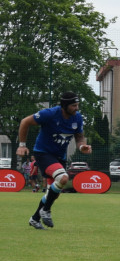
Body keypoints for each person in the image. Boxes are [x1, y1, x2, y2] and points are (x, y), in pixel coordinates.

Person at [16, 91, 90, 229]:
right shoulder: (50, 113)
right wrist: (22, 145)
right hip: (43, 153)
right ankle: (46, 210)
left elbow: (79, 138)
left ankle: (35, 218)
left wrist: (82, 147)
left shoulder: (77, 118)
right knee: (63, 178)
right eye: (74, 105)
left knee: (53, 193)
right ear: (65, 105)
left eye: (77, 105)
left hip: (59, 157)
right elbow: (25, 122)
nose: (77, 108)